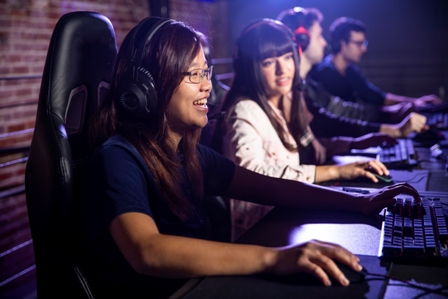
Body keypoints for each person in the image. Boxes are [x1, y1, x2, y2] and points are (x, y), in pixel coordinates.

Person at [73, 16, 421, 298]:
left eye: (205, 71)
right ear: (147, 87)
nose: (207, 85)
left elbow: (274, 188)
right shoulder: (118, 157)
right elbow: (147, 250)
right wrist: (274, 258)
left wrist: (359, 203)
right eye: (193, 74)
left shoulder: (187, 155)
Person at [214, 18, 413, 241]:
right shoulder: (245, 110)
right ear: (249, 67)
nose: (283, 69)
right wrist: (335, 172)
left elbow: (305, 148)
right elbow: (253, 176)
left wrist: (354, 145)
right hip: (260, 231)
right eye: (269, 62)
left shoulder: (274, 103)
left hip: (285, 214)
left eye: (288, 58)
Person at [277, 7, 429, 140]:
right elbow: (327, 124)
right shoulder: (299, 85)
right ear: (302, 41)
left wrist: (392, 114)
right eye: (318, 36)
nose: (324, 43)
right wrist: (392, 129)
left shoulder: (309, 84)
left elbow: (343, 109)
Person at [310, 16, 441, 109]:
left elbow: (376, 97)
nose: (364, 49)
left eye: (364, 43)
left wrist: (416, 102)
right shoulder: (324, 74)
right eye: (359, 43)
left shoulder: (350, 71)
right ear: (342, 44)